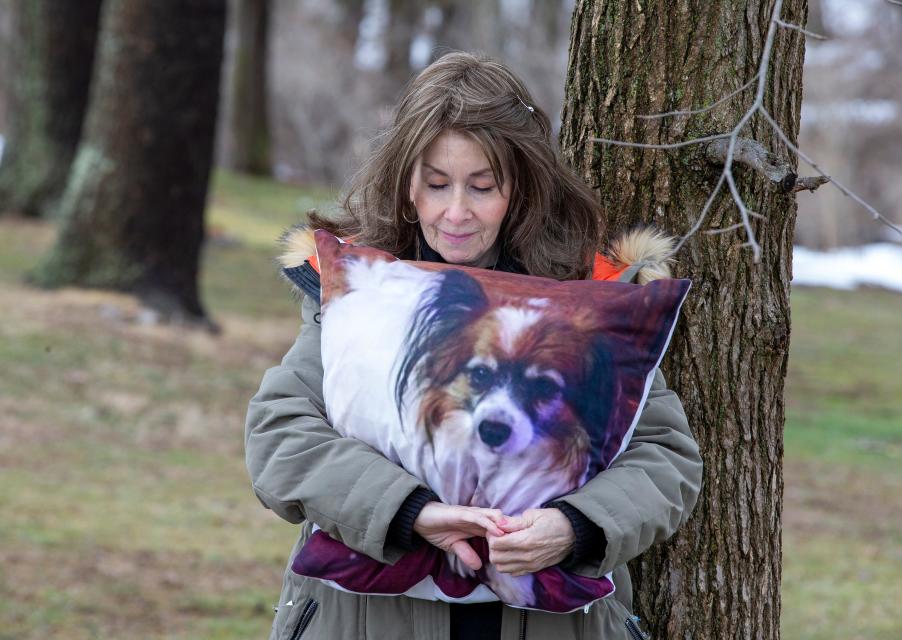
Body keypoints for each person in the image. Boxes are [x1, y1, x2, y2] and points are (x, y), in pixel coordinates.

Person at [245, 51, 702, 640]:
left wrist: (576, 526)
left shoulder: (588, 299)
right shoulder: (359, 291)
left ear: (521, 187)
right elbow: (280, 433)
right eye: (436, 185)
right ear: (406, 183)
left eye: (482, 188)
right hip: (365, 620)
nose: (455, 212)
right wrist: (410, 511)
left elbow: (665, 455)